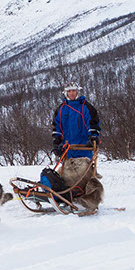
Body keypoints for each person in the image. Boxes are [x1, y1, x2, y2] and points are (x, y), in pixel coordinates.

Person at [50, 83, 104, 212]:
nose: (72, 93)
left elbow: (93, 123)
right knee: (68, 174)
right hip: (67, 148)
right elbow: (56, 126)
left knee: (85, 173)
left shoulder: (86, 107)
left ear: (77, 92)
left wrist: (93, 137)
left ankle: (89, 199)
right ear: (66, 93)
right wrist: (57, 141)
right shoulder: (61, 109)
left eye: (74, 91)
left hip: (84, 146)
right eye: (69, 91)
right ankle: (69, 197)